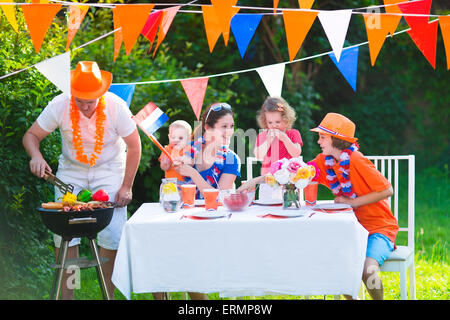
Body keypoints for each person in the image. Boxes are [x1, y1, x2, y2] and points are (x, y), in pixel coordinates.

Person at [22, 61, 142, 300]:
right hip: (71, 173)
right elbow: (31, 136)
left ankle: (107, 294)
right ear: (72, 94)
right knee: (66, 233)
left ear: (101, 93)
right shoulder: (59, 104)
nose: (86, 107)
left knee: (114, 234)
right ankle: (69, 297)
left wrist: (126, 186)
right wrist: (36, 156)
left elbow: (134, 146)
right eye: (80, 101)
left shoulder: (116, 106)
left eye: (91, 101)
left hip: (110, 170)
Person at [174, 102, 241, 198]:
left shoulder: (232, 159)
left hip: (215, 212)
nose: (229, 131)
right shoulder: (189, 148)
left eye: (231, 126)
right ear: (208, 128)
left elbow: (220, 198)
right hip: (186, 209)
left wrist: (193, 173)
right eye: (224, 126)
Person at [254, 97, 303, 175]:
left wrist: (285, 139)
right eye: (270, 122)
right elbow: (258, 155)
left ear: (286, 119)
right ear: (265, 122)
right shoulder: (263, 135)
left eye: (278, 122)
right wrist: (268, 141)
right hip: (268, 177)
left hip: (289, 176)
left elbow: (296, 153)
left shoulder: (293, 133)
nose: (274, 125)